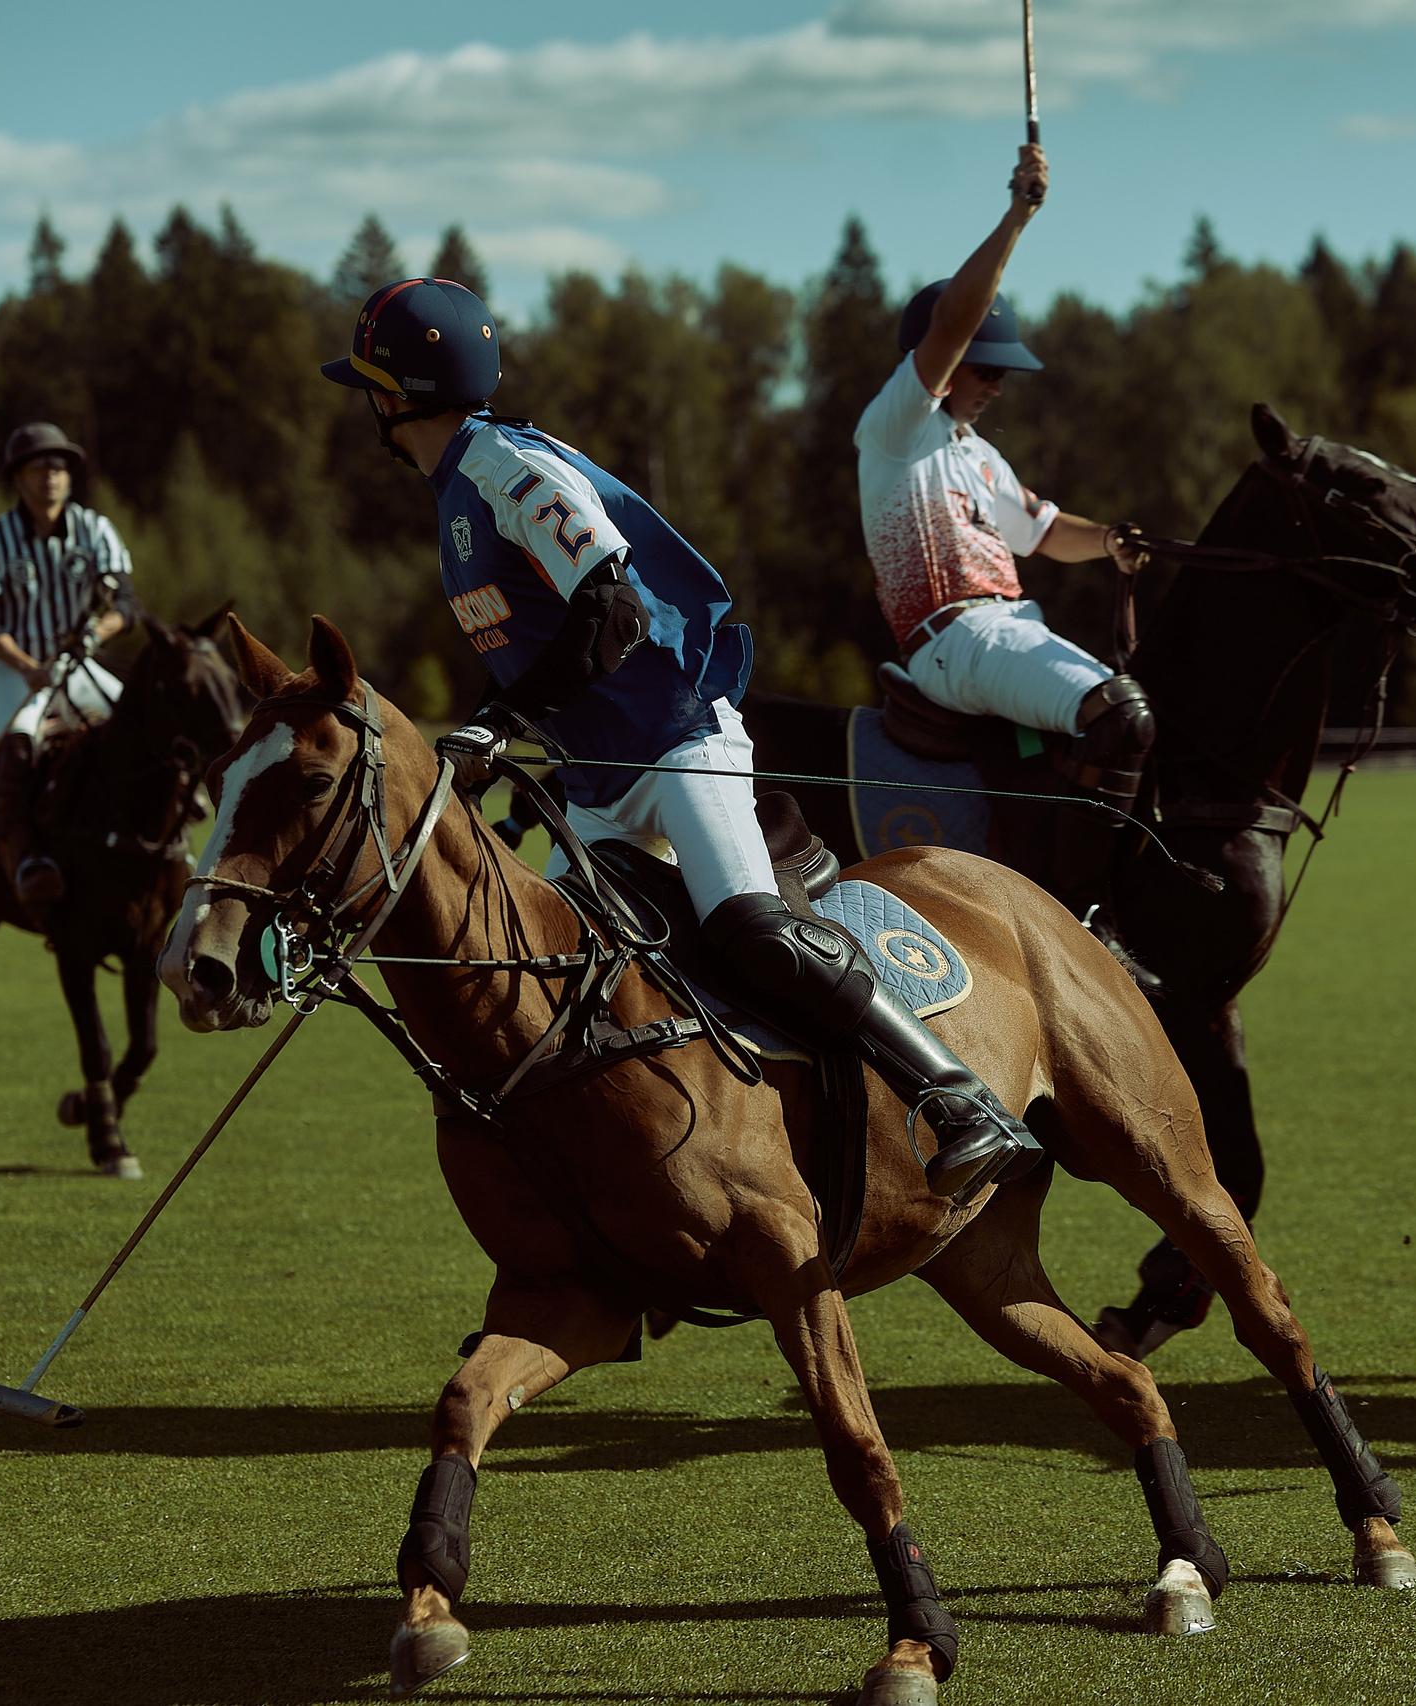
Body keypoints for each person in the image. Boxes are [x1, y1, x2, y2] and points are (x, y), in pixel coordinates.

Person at [324, 278, 1044, 1197]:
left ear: (394, 396)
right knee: (546, 974)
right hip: (593, 780)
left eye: (370, 389)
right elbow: (525, 652)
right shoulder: (456, 494)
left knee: (749, 929)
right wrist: (487, 739)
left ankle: (955, 1098)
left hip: (674, 741)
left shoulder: (505, 466)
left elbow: (613, 609)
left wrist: (500, 727)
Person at [855, 142, 1155, 980]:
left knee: (1139, 716)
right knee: (1120, 715)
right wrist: (1017, 216)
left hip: (1010, 629)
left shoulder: (978, 453)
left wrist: (1114, 541)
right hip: (957, 642)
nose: (996, 383)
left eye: (1002, 373)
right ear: (941, 370)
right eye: (985, 369)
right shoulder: (895, 429)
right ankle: (1086, 922)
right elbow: (951, 326)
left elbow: (1042, 531)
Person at [0, 422, 138, 907]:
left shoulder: (94, 528)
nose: (52, 476)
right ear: (18, 476)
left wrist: (93, 634)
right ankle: (23, 857)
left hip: (75, 664)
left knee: (136, 723)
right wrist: (26, 665)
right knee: (21, 741)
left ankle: (165, 839)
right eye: (40, 466)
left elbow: (125, 604)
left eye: (60, 467)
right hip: (13, 669)